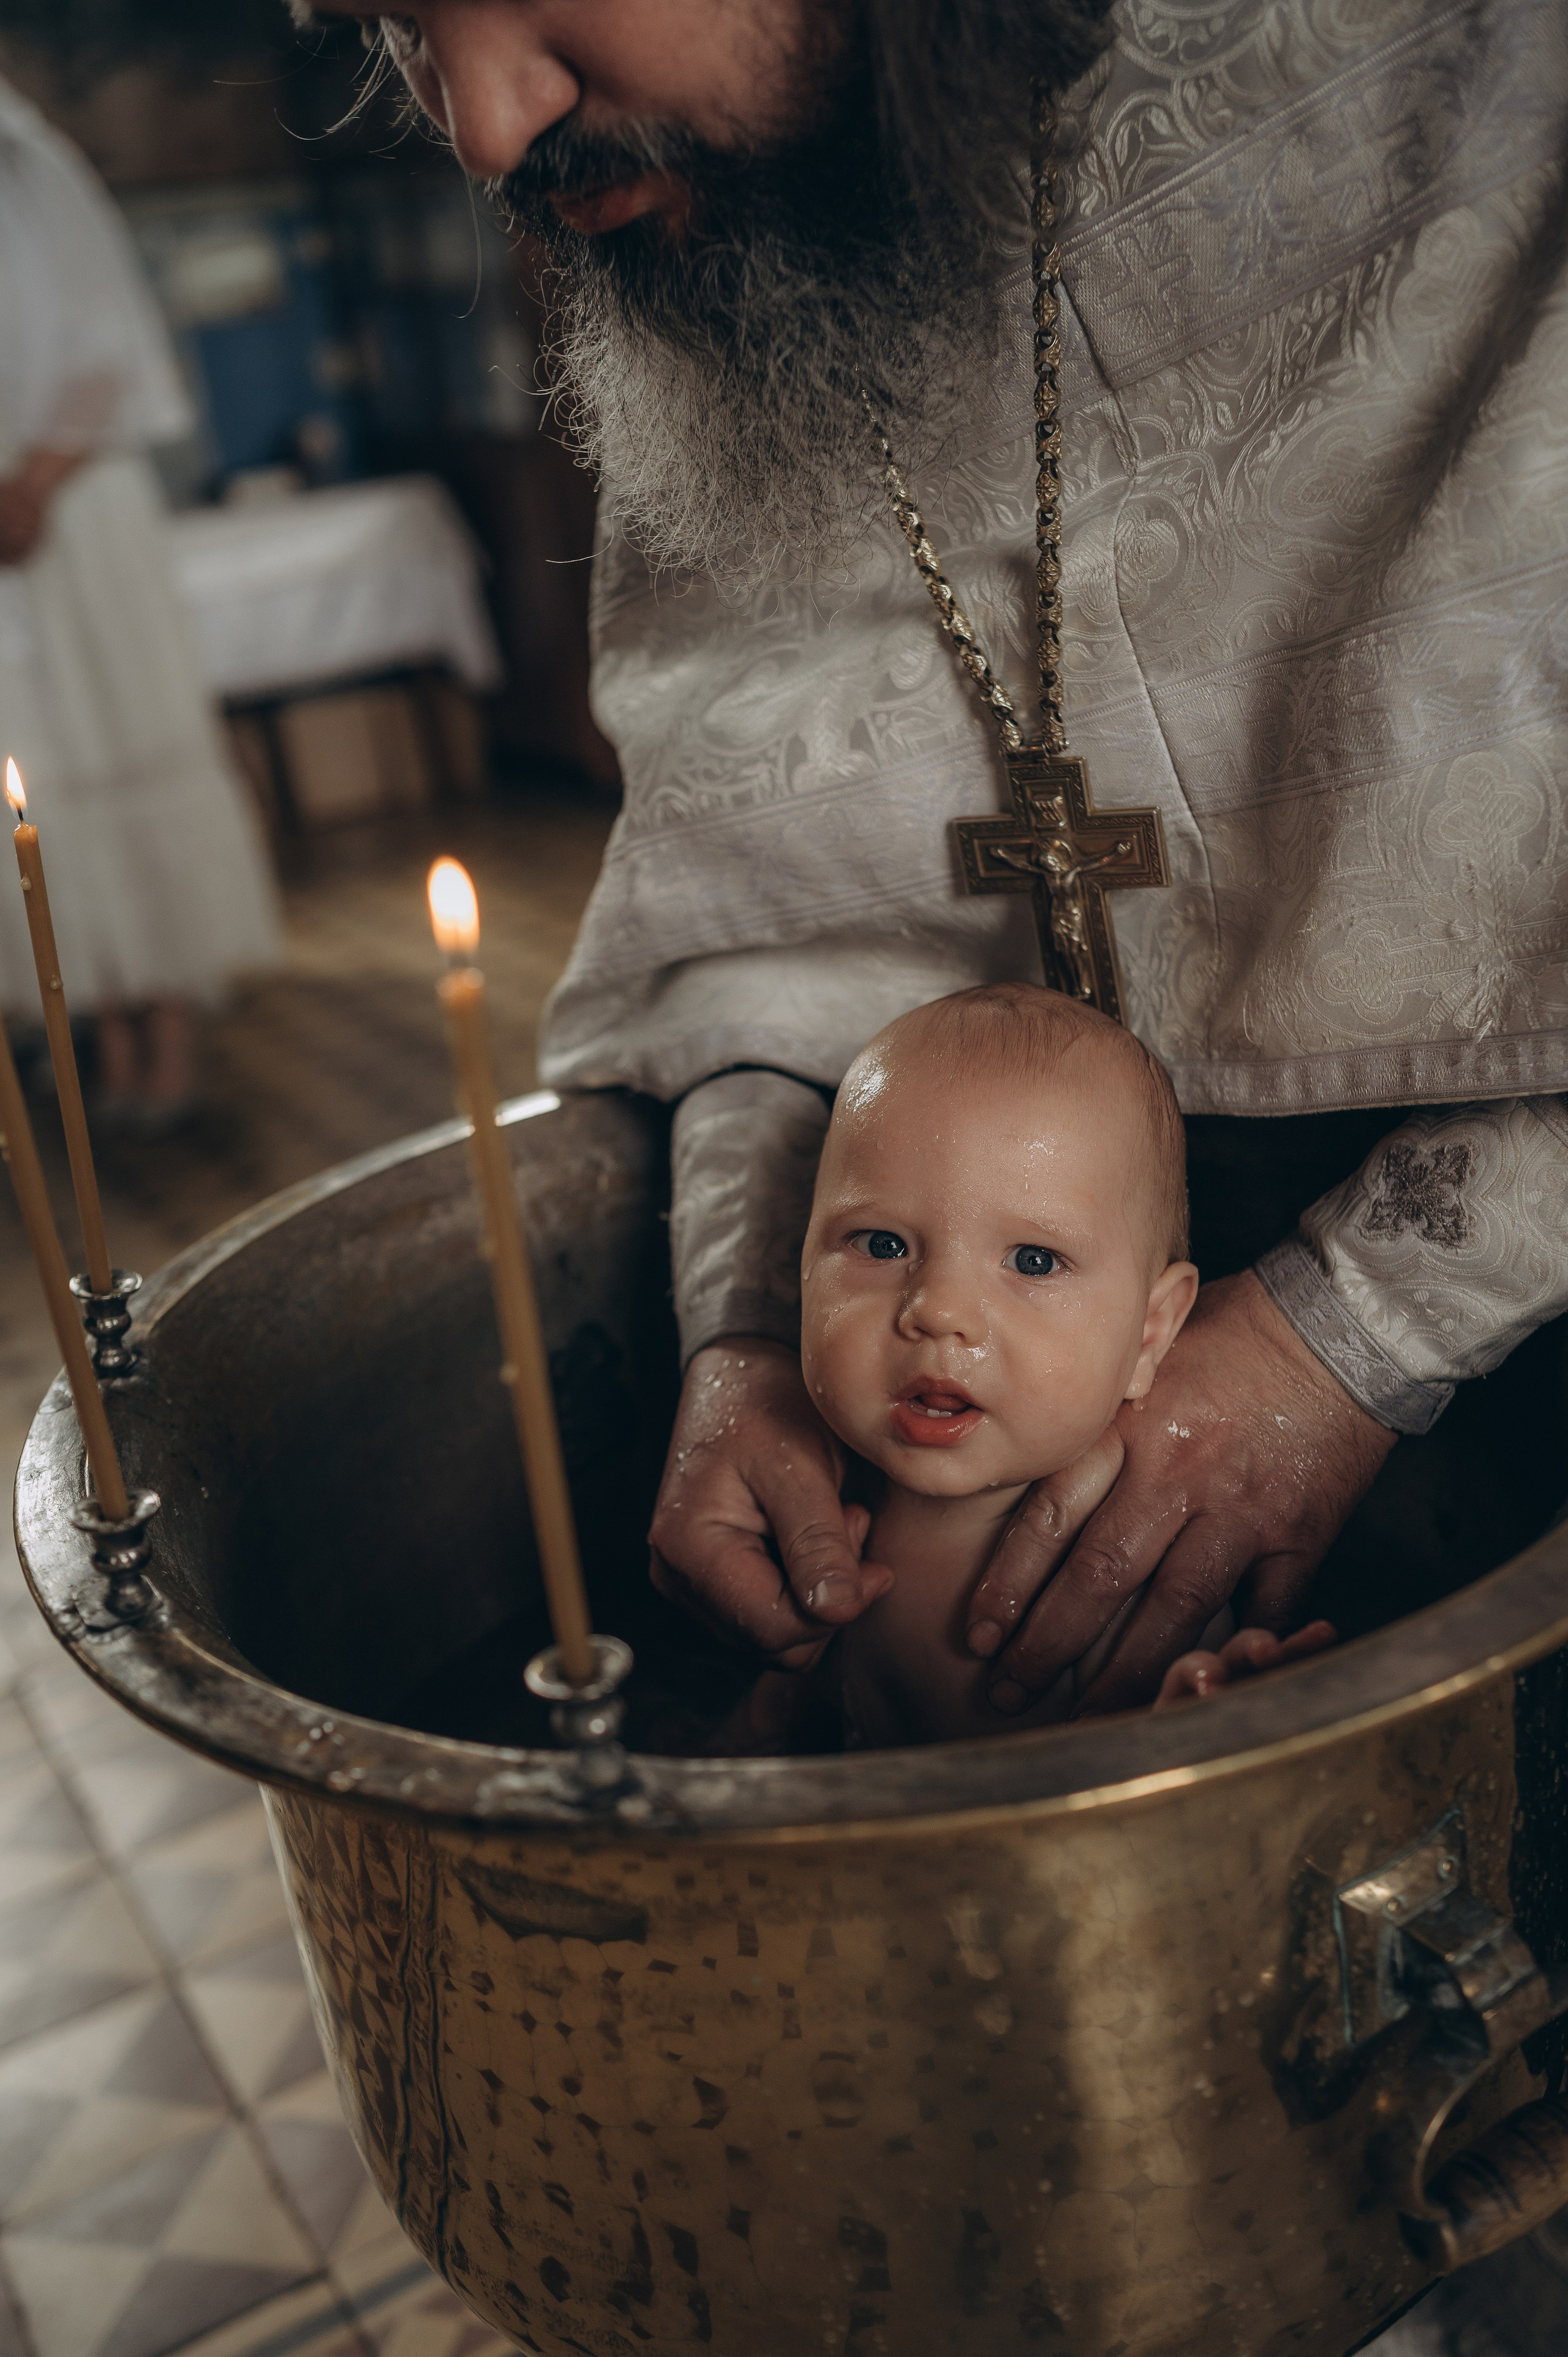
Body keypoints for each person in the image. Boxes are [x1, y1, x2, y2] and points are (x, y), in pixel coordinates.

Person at [309, 0, 1568, 1714]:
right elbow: (769, 933)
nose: (475, 120)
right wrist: (751, 1335)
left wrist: (1355, 1338)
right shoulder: (725, 248)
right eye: (386, 18)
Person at [718, 983, 1335, 1754]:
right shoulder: (818, 1492)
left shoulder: (1116, 1574)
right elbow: (791, 1717)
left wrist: (1199, 1720)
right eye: (880, 1244)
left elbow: (1151, 1807)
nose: (938, 1310)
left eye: (1033, 1260)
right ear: (799, 1263)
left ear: (1149, 1334)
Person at [0, 75, 281, 1128]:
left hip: (73, 504)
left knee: (126, 740)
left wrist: (30, 482)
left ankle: (163, 1029)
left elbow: (110, 345)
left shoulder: (30, 160)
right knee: (40, 780)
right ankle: (99, 1030)